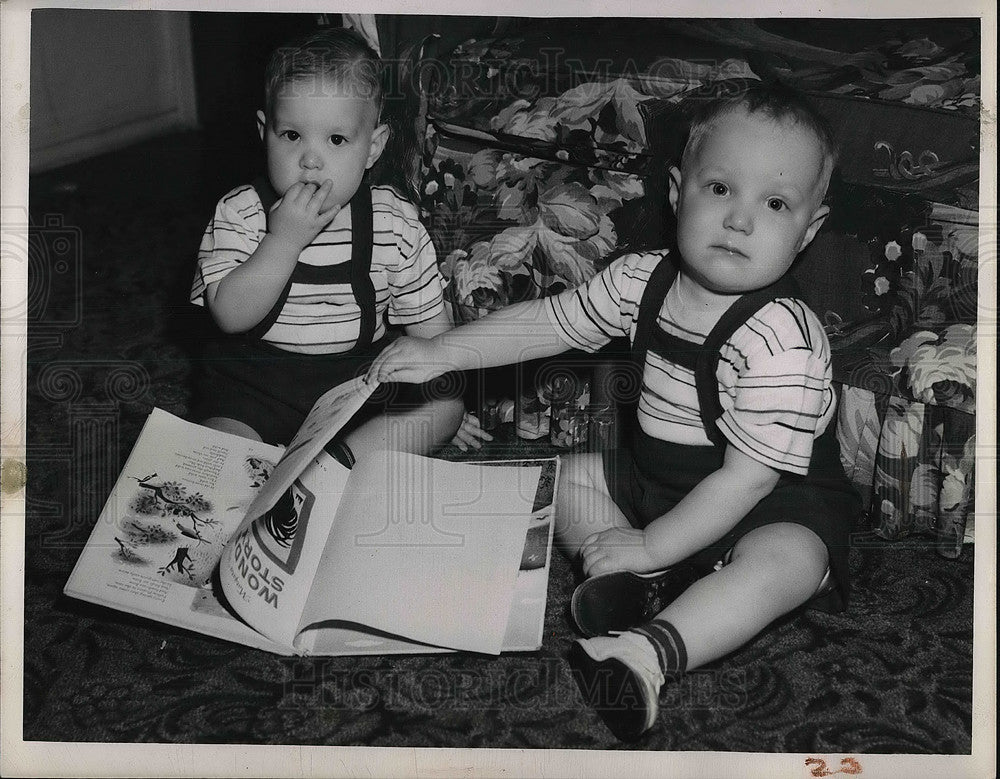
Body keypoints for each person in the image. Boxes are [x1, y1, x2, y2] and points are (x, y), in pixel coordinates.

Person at [366, 82, 861, 740]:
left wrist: (655, 536)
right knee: (567, 476)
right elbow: (547, 323)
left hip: (769, 504)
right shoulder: (639, 279)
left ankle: (647, 650)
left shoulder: (783, 339)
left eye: (774, 203)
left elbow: (748, 478)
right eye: (720, 189)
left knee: (789, 561)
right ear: (678, 191)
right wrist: (441, 353)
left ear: (809, 229)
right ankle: (642, 581)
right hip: (655, 480)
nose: (741, 219)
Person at [189, 26, 488, 461]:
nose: (310, 159)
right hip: (254, 388)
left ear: (372, 148)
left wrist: (434, 387)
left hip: (359, 386)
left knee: (444, 408)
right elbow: (230, 317)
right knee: (215, 448)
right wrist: (283, 240)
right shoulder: (241, 212)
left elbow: (431, 336)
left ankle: (337, 464)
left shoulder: (394, 221)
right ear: (263, 132)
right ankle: (280, 469)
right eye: (291, 135)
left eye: (335, 139)